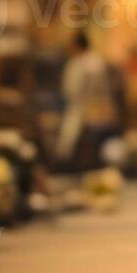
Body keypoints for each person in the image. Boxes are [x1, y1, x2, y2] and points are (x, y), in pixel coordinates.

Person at [58, 32, 120, 172]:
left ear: (76, 46)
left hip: (84, 110)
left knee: (76, 142)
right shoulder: (98, 61)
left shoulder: (77, 64)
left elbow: (70, 90)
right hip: (102, 109)